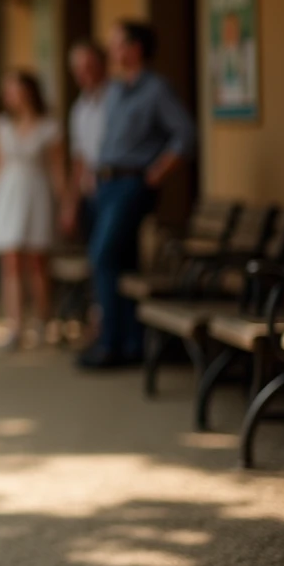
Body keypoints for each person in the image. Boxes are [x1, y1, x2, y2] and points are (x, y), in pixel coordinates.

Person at [79, 20, 196, 369]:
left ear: (135, 49)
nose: (112, 51)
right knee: (122, 261)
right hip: (107, 183)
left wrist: (159, 170)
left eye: (117, 44)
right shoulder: (115, 90)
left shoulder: (157, 89)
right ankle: (132, 345)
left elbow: (185, 134)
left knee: (101, 256)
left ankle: (109, 343)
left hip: (132, 183)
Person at [0, 71, 67, 350]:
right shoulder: (1, 125)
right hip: (8, 194)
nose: (9, 97)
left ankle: (43, 319)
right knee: (11, 260)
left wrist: (65, 204)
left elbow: (57, 169)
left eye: (14, 90)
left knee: (38, 259)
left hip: (36, 195)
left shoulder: (49, 126)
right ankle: (15, 324)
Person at [61, 42, 109, 241]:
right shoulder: (79, 108)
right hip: (90, 191)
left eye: (88, 66)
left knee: (108, 251)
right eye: (78, 69)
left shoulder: (116, 100)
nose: (83, 74)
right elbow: (79, 158)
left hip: (113, 186)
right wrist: (71, 203)